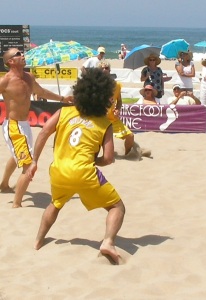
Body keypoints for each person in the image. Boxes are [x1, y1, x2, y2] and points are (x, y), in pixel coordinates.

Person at [26, 68, 125, 264]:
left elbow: (44, 132)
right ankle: (108, 242)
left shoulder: (64, 112)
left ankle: (38, 241)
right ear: (104, 97)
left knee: (55, 204)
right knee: (117, 207)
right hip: (84, 172)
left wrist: (35, 160)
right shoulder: (105, 123)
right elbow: (109, 158)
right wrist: (92, 161)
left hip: (59, 170)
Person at [0, 48, 72, 207]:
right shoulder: (5, 81)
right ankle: (16, 204)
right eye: (18, 54)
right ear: (10, 61)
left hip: (25, 125)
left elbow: (42, 92)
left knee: (18, 154)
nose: (23, 55)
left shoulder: (29, 77)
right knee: (28, 163)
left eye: (22, 52)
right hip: (13, 126)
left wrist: (61, 98)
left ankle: (4, 185)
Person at [99, 61, 134, 155]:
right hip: (98, 118)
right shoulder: (95, 86)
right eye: (102, 68)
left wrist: (118, 109)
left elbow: (119, 101)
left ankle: (127, 155)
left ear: (109, 70)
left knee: (130, 136)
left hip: (112, 118)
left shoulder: (117, 85)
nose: (104, 70)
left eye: (106, 68)